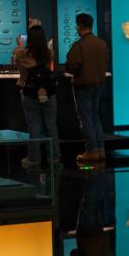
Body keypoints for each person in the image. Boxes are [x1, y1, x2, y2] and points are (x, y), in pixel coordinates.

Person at [13, 22, 60, 165]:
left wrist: (20, 44)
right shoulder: (49, 53)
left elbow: (17, 59)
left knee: (34, 125)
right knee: (51, 125)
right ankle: (54, 156)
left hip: (30, 92)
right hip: (48, 92)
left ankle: (34, 158)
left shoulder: (22, 54)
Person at [66, 12, 109, 164]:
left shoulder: (79, 45)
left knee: (86, 118)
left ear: (79, 26)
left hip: (83, 86)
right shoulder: (101, 44)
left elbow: (72, 65)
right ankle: (100, 150)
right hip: (99, 84)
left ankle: (91, 151)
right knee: (95, 117)